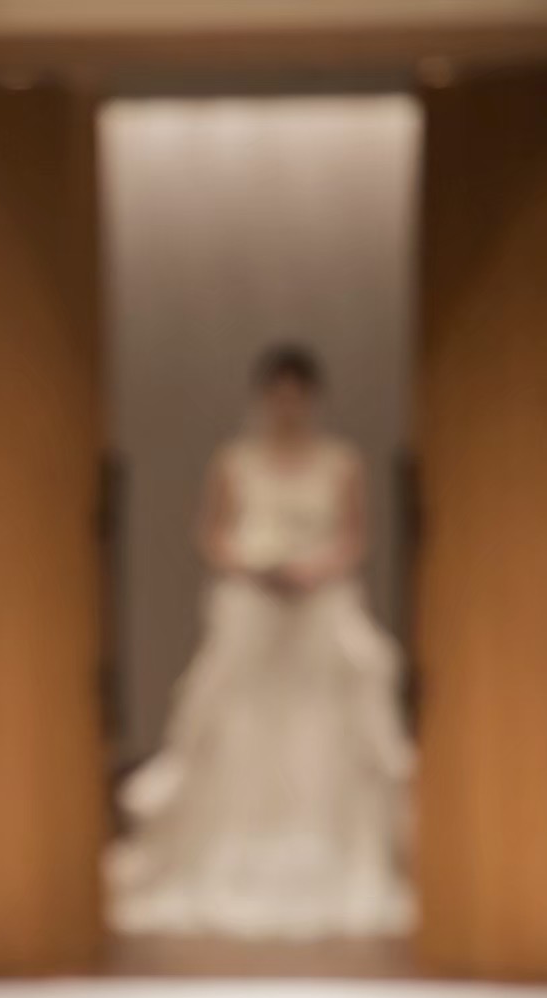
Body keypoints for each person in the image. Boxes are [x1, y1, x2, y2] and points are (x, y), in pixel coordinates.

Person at [106, 344, 414, 940]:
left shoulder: (340, 462)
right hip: (253, 610)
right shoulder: (235, 461)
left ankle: (326, 862)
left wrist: (314, 571)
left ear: (313, 398)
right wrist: (254, 567)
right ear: (265, 397)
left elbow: (354, 536)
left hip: (319, 612)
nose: (288, 405)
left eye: (298, 394)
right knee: (240, 730)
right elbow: (213, 533)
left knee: (321, 733)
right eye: (279, 394)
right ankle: (229, 859)